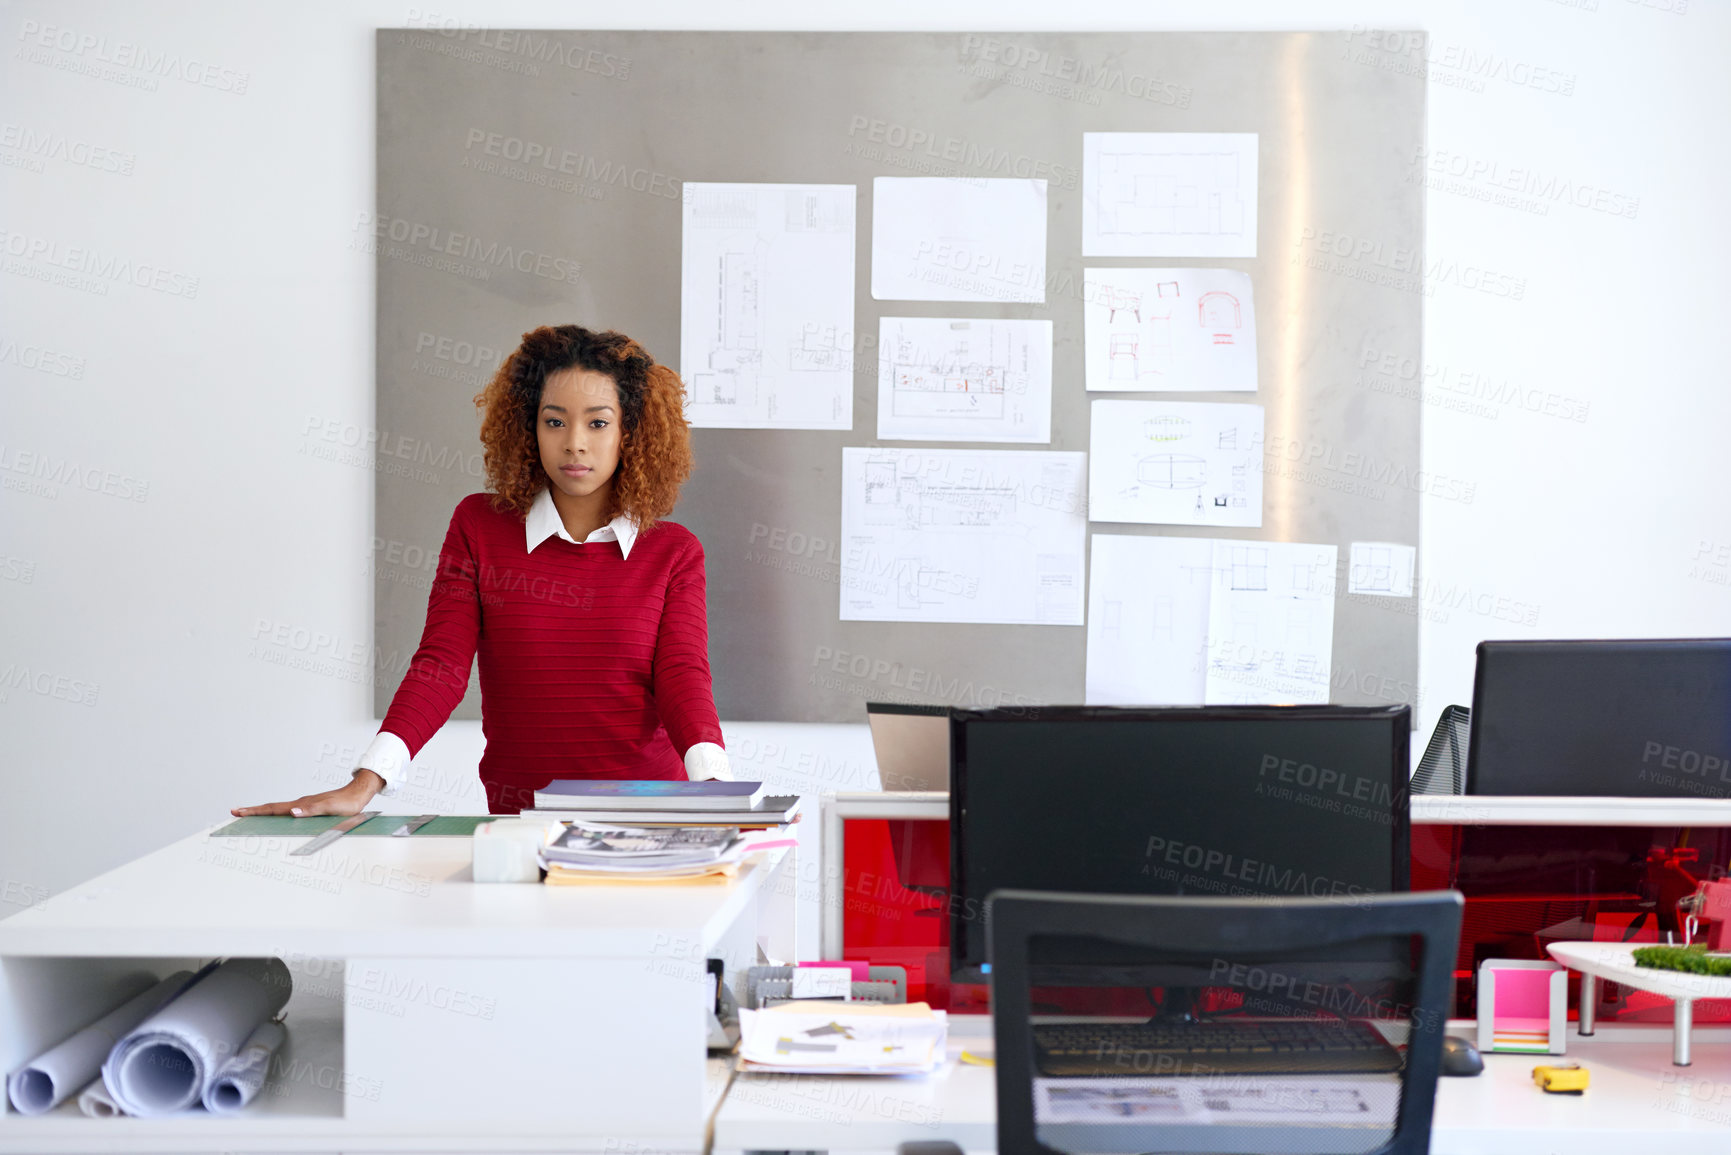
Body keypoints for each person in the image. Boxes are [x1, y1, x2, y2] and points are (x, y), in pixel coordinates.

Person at [233, 324, 728, 817]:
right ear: (529, 427)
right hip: (521, 816)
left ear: (630, 432)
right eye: (554, 421)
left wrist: (716, 791)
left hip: (650, 815)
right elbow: (440, 666)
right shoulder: (479, 527)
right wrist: (365, 783)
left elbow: (682, 676)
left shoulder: (673, 552)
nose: (575, 443)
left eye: (597, 423)